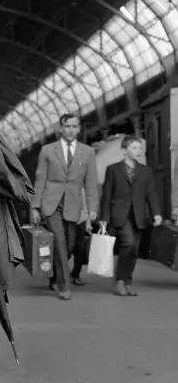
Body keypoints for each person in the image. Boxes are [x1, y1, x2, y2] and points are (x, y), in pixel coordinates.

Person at [31, 114, 99, 300]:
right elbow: (40, 179)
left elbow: (91, 183)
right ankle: (64, 286)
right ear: (60, 128)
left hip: (74, 203)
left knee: (69, 245)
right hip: (51, 203)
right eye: (67, 126)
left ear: (79, 129)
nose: (71, 130)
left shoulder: (88, 152)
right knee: (60, 242)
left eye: (74, 126)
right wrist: (35, 206)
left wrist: (92, 207)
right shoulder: (47, 150)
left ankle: (55, 275)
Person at [100, 136, 162, 296]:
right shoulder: (113, 169)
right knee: (128, 243)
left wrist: (156, 213)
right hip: (119, 214)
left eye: (140, 148)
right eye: (134, 148)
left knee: (134, 250)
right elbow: (106, 195)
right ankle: (120, 280)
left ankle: (128, 281)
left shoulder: (146, 171)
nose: (138, 151)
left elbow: (151, 193)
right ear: (124, 151)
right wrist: (103, 218)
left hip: (139, 215)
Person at [69, 189, 92, 286]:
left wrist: (88, 223)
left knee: (80, 251)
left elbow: (86, 205)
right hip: (69, 221)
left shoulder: (82, 188)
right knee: (68, 248)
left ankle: (76, 275)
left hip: (81, 221)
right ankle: (58, 275)